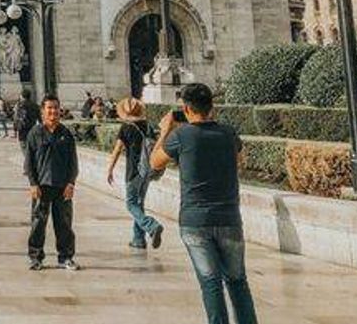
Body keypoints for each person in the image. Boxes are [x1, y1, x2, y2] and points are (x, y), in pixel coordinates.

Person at [151, 83, 258, 324]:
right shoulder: (229, 133)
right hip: (229, 217)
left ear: (186, 109)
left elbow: (154, 163)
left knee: (211, 283)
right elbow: (241, 162)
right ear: (212, 107)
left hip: (195, 221)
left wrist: (164, 131)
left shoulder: (180, 136)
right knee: (238, 281)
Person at [23, 95, 78, 271]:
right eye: (49, 108)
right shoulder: (35, 133)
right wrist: (33, 183)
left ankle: (66, 257)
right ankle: (35, 257)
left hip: (62, 187)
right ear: (43, 111)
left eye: (55, 108)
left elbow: (73, 162)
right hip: (42, 186)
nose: (53, 111)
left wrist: (71, 183)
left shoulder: (66, 134)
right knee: (38, 223)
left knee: (64, 224)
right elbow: (29, 162)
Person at [105, 98, 163, 251]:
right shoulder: (148, 126)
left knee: (131, 204)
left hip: (133, 171)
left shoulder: (126, 128)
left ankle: (152, 226)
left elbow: (118, 149)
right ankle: (138, 239)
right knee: (139, 204)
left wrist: (110, 169)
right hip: (147, 170)